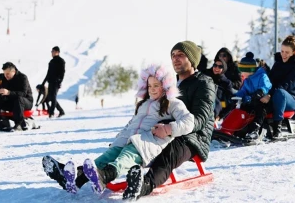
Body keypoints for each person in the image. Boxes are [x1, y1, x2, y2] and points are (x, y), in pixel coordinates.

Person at [42, 64, 194, 195]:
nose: (152, 90)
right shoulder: (144, 104)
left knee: (124, 159)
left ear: (165, 86)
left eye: (156, 86)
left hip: (145, 144)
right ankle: (75, 180)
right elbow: (131, 124)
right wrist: (118, 139)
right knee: (103, 159)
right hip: (126, 140)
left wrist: (168, 129)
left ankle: (104, 176)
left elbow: (189, 121)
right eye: (149, 86)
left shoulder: (173, 103)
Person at [122, 41, 216, 200]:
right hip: (169, 130)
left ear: (192, 60)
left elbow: (199, 120)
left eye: (181, 55)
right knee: (135, 140)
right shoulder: (172, 83)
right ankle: (102, 172)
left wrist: (169, 128)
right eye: (173, 55)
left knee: (170, 149)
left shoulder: (204, 83)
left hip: (194, 137)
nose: (175, 59)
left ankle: (144, 185)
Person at [259, 35, 295, 138]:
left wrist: (270, 95)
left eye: (287, 52)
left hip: (292, 99)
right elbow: (270, 81)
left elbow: (287, 85)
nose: (283, 55)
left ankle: (277, 127)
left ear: (294, 52)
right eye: (282, 51)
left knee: (280, 93)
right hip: (275, 94)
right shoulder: (278, 63)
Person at [233, 52, 272, 139]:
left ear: (249, 70)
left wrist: (259, 93)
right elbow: (243, 91)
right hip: (252, 101)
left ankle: (255, 130)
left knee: (260, 108)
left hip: (264, 100)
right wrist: (236, 96)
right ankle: (234, 128)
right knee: (241, 107)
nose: (241, 73)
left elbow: (266, 86)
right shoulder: (247, 79)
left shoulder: (262, 75)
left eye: (242, 71)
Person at [0, 62, 33, 130]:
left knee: (19, 99)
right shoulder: (4, 78)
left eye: (8, 74)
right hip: (11, 102)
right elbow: (2, 91)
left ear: (14, 71)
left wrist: (9, 92)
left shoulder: (23, 77)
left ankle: (19, 124)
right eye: (4, 73)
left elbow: (23, 93)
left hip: (26, 102)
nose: (6, 75)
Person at [41, 46, 66, 118]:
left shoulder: (61, 61)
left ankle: (51, 113)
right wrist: (43, 83)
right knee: (52, 97)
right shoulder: (51, 62)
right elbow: (48, 73)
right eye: (51, 51)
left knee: (53, 97)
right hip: (50, 82)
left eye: (53, 51)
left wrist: (59, 81)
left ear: (57, 52)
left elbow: (62, 72)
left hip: (56, 82)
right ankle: (61, 111)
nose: (51, 53)